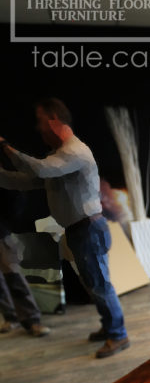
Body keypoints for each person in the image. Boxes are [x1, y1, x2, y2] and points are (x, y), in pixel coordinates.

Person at [0, 98, 129, 357]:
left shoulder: (74, 153)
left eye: (40, 121)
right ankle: (109, 328)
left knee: (100, 286)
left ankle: (119, 335)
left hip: (89, 230)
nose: (38, 128)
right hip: (81, 231)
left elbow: (39, 170)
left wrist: (4, 147)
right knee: (95, 284)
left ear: (54, 121)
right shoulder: (59, 158)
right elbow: (28, 181)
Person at [0, 188, 50, 337]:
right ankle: (10, 317)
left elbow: (15, 196)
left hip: (1, 233)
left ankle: (32, 320)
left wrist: (7, 221)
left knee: (14, 277)